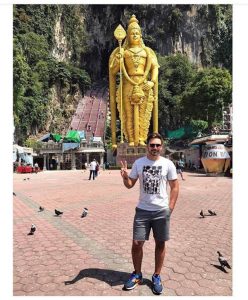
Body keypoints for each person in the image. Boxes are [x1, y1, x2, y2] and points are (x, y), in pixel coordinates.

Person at [120, 133, 179, 295]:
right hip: (142, 211)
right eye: (152, 145)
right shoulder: (139, 163)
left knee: (160, 244)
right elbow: (130, 185)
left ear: (161, 147)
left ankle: (156, 276)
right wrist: (125, 177)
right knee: (137, 243)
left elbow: (174, 187)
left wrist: (170, 208)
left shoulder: (168, 164)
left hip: (161, 211)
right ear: (147, 146)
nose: (155, 148)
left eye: (157, 145)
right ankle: (137, 274)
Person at [109, 15, 159, 148]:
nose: (135, 35)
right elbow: (113, 71)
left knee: (143, 113)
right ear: (127, 36)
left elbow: (155, 68)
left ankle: (142, 138)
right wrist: (119, 59)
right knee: (128, 113)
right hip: (127, 84)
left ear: (141, 35)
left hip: (143, 84)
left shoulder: (147, 52)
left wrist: (152, 82)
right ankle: (131, 138)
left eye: (137, 33)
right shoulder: (123, 52)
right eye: (132, 33)